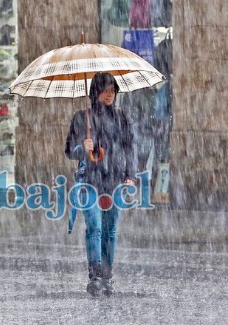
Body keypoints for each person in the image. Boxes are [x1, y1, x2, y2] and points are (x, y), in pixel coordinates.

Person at [64, 72, 137, 297]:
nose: (110, 94)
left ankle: (107, 275)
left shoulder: (122, 118)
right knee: (94, 226)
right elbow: (69, 151)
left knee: (110, 230)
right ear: (95, 91)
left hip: (115, 181)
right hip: (90, 181)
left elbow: (130, 148)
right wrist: (82, 147)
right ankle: (95, 274)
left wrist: (130, 176)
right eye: (106, 90)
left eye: (113, 90)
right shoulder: (81, 118)